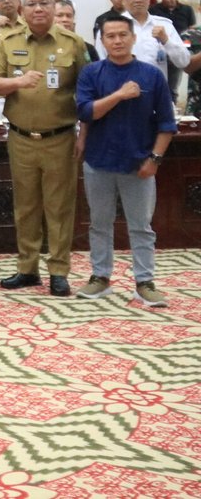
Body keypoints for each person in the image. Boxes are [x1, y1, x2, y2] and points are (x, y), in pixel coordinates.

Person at [0, 0, 90, 297]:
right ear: (21, 9)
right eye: (31, 4)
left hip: (60, 138)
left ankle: (59, 271)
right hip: (20, 137)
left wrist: (83, 134)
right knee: (26, 206)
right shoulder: (8, 41)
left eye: (43, 3)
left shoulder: (73, 43)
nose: (37, 9)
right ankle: (27, 268)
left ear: (53, 5)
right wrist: (18, 81)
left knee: (59, 208)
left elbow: (87, 94)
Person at [75, 16, 175, 307]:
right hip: (98, 162)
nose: (117, 41)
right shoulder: (91, 73)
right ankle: (100, 277)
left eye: (122, 35)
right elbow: (86, 112)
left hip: (140, 163)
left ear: (133, 38)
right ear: (102, 41)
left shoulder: (152, 75)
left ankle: (144, 282)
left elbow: (167, 125)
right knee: (99, 223)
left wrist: (155, 159)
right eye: (110, 36)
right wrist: (119, 95)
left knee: (141, 226)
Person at [96, 0, 188, 82]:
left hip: (157, 93)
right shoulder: (109, 28)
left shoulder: (164, 25)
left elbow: (184, 61)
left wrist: (166, 41)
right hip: (120, 92)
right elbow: (101, 65)